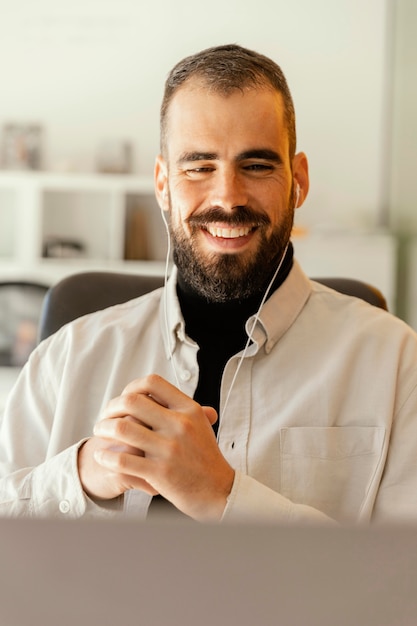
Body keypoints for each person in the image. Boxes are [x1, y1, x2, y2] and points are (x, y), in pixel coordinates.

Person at [1, 44, 417, 525]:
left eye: (257, 166)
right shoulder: (66, 357)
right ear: (162, 183)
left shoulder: (397, 365)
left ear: (298, 181)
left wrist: (222, 496)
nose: (228, 198)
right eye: (199, 167)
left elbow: (401, 586)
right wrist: (83, 474)